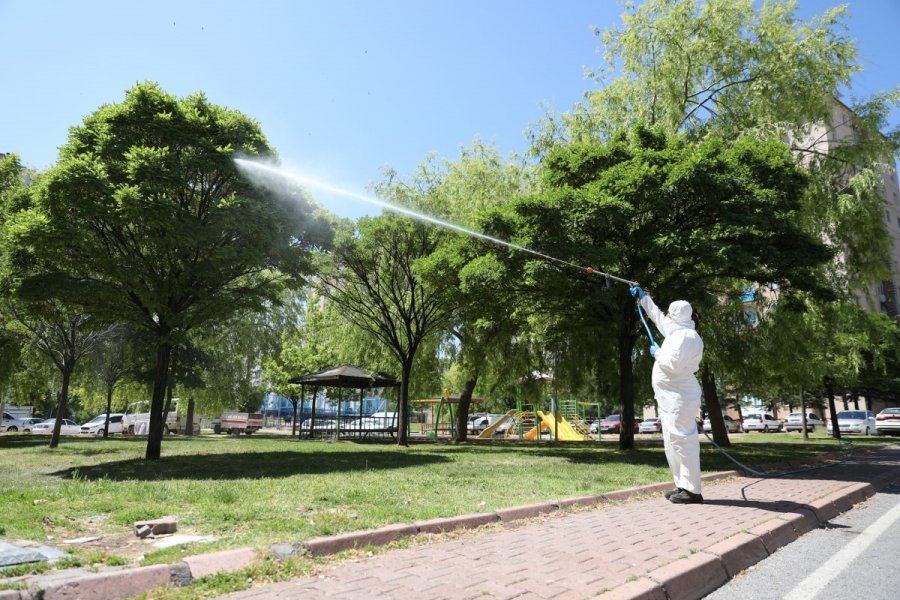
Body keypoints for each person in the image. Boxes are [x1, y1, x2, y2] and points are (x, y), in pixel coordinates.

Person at [630, 286, 705, 504]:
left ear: (677, 316)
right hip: (670, 398)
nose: (667, 316)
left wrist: (658, 353)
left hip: (680, 398)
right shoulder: (677, 332)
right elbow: (658, 318)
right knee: (672, 442)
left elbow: (673, 365)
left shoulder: (687, 337)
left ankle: (693, 491)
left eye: (670, 313)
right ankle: (682, 486)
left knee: (683, 441)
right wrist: (644, 299)